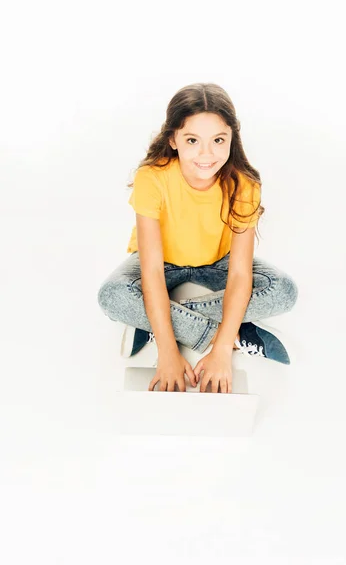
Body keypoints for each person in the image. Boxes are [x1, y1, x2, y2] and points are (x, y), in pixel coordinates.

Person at [97, 82, 298, 394]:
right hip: (162, 264)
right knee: (112, 297)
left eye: (218, 140)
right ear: (173, 139)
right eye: (193, 140)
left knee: (283, 292)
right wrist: (168, 351)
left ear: (232, 138)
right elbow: (151, 271)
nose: (206, 154)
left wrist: (219, 355)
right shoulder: (152, 178)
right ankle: (232, 334)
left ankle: (154, 318)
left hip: (217, 263)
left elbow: (241, 274)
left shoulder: (243, 184)